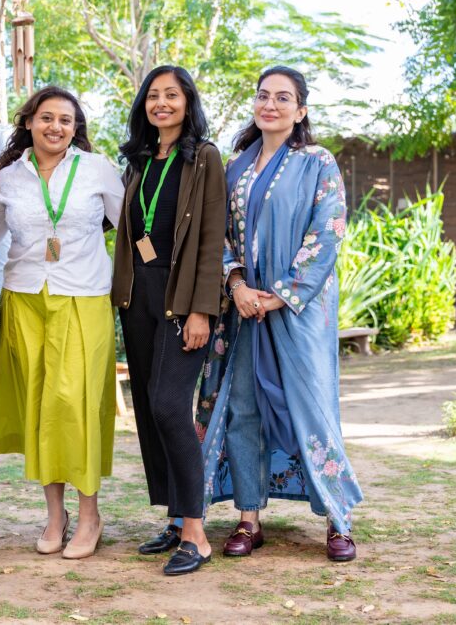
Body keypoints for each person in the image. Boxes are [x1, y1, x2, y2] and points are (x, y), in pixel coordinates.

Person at [196, 66, 363, 562]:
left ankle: (338, 518)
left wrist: (282, 294)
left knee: (311, 405)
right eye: (264, 96)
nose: (270, 104)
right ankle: (249, 517)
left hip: (298, 311)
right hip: (244, 310)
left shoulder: (318, 162)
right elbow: (218, 237)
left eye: (283, 98)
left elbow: (327, 231)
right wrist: (238, 284)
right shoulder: (235, 168)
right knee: (243, 408)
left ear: (301, 110)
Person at [0, 86, 124, 559]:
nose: (56, 127)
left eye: (66, 120)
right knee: (39, 406)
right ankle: (54, 515)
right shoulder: (7, 177)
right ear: (29, 122)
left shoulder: (97, 169)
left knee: (77, 404)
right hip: (24, 298)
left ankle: (90, 516)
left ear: (76, 128)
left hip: (84, 297)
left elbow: (129, 229)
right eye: (47, 118)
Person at [110, 65, 226, 575]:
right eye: (153, 96)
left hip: (182, 298)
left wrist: (202, 308)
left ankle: (197, 534)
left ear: (187, 102)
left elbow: (209, 238)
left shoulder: (203, 158)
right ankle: (176, 519)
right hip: (138, 297)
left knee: (169, 406)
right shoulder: (136, 161)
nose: (161, 103)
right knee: (149, 411)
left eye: (171, 95)